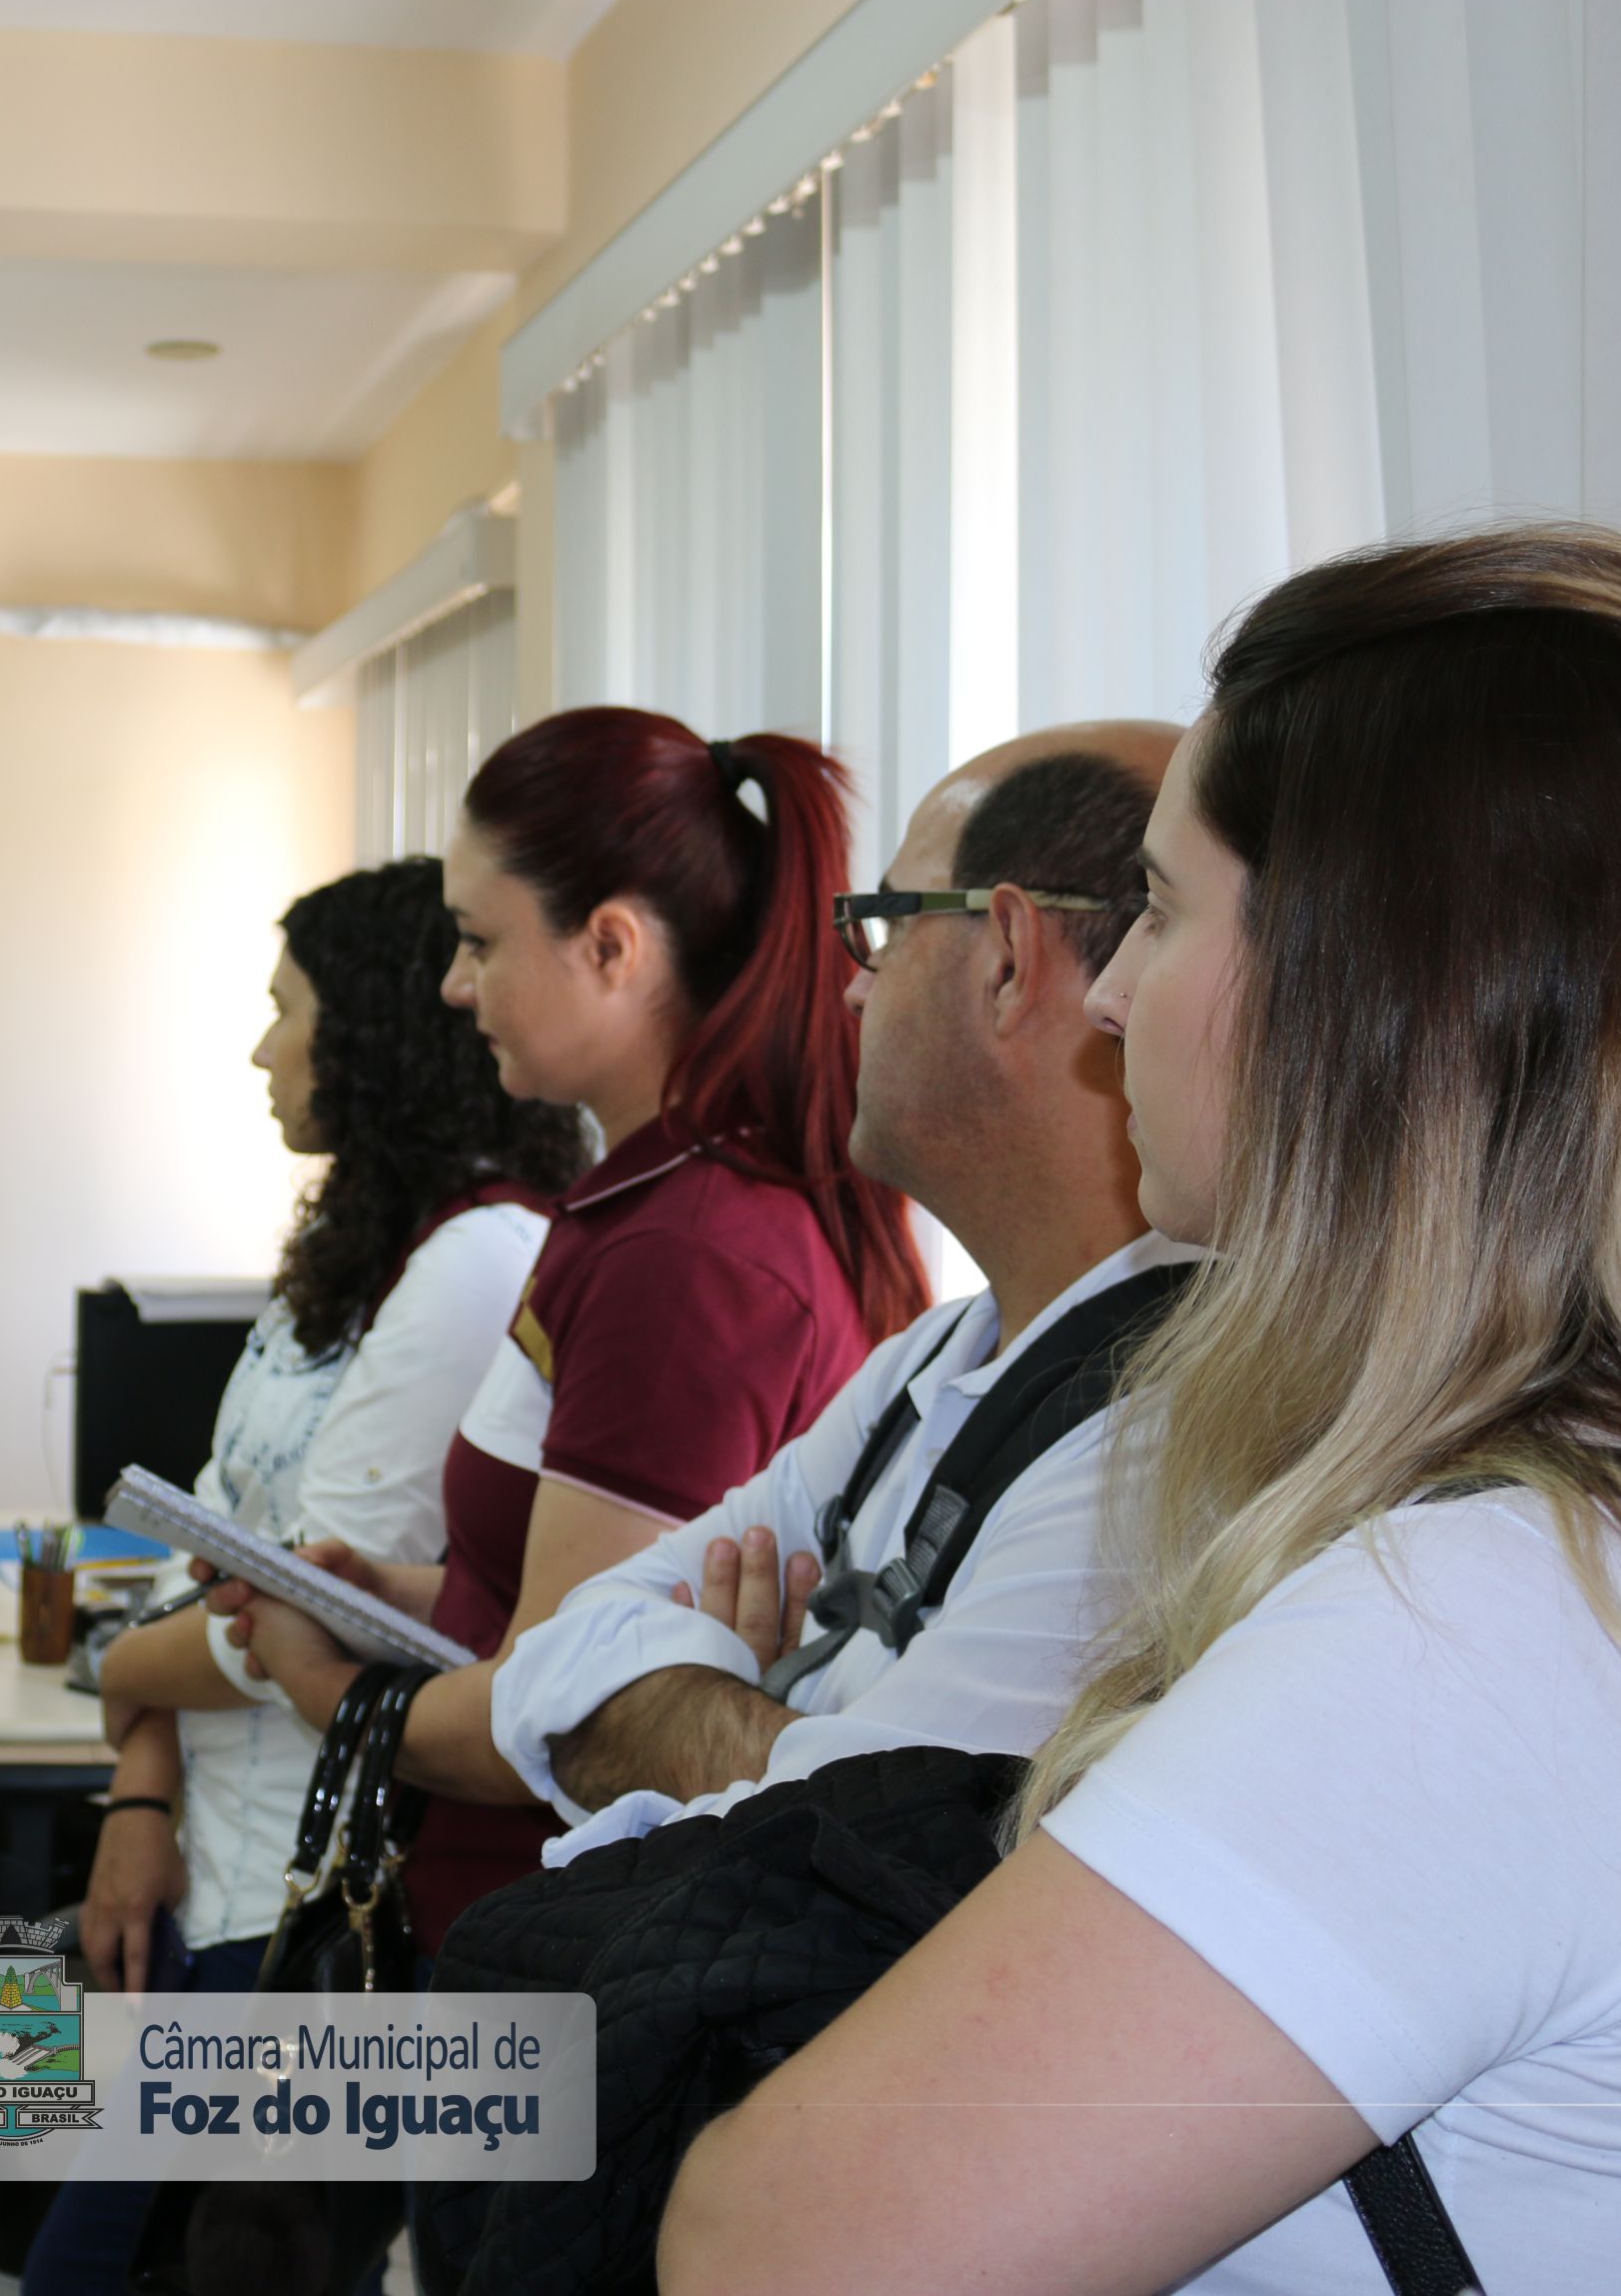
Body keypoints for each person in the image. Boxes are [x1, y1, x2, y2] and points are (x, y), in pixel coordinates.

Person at [661, 528, 1621, 2293]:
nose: (1109, 996)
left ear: (1365, 999)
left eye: (1165, 910)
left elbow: (770, 2252)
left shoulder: (1487, 1634)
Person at [219, 710, 928, 1951]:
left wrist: (315, 1680)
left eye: (478, 942)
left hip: (545, 1949)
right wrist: (391, 1594)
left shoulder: (684, 1256)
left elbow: (558, 1707)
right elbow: (586, 1600)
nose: (455, 987)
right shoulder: (636, 1207)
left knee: (11, 2046)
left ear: (609, 945)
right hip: (504, 1916)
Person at [25, 859, 587, 2296]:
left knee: (84, 2271)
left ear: (374, 1033)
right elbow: (206, 1557)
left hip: (309, 1900)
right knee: (0, 2097)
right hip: (192, 1860)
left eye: (287, 1011)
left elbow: (295, 1619)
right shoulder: (346, 1251)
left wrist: (116, 1672)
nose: (261, 1049)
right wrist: (135, 1787)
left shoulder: (478, 1261)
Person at [493, 726, 1195, 1856]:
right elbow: (551, 1665)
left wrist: (734, 1701)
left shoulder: (1161, 1436)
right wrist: (794, 1739)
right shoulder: (931, 1357)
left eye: (885, 925)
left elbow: (884, 1853)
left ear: (1007, 958)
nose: (854, 989)